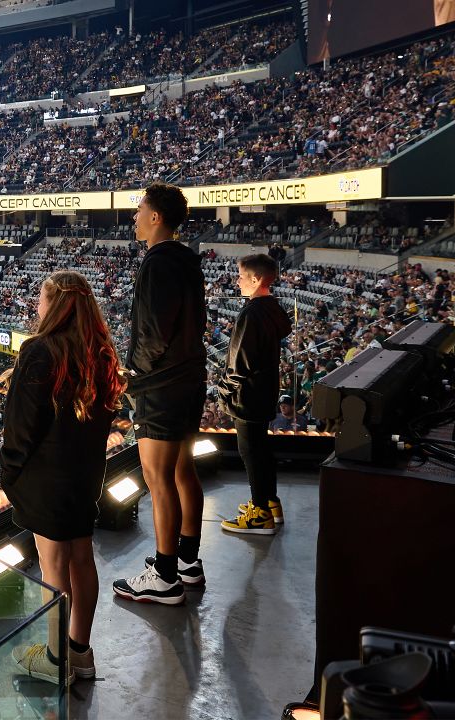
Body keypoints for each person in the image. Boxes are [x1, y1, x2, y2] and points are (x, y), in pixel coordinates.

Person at [2, 270, 123, 683]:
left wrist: (9, 472)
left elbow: (20, 426)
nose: (37, 308)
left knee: (53, 571)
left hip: (45, 479)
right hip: (85, 475)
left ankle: (56, 663)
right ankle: (79, 652)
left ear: (54, 306)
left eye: (41, 300)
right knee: (81, 561)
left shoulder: (40, 351)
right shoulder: (102, 353)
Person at [113, 183, 207, 606]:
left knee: (158, 478)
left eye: (139, 210)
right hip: (189, 379)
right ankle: (188, 560)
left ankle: (164, 575)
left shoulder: (157, 263)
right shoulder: (187, 259)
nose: (134, 217)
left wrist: (134, 375)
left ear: (155, 218)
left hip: (162, 387)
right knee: (184, 470)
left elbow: (154, 333)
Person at [218, 253, 292, 535]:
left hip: (248, 395)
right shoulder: (272, 307)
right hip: (265, 390)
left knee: (250, 451)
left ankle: (260, 514)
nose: (237, 281)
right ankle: (269, 501)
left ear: (256, 278)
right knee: (261, 449)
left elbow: (240, 363)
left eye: (240, 275)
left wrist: (224, 391)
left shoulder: (252, 312)